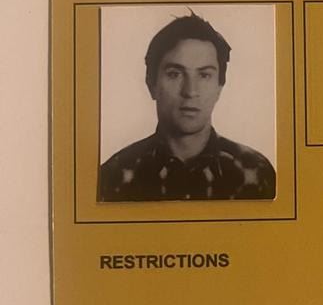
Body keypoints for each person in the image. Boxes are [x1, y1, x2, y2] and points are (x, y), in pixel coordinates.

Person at [99, 13, 276, 201]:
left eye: (204, 75)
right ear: (151, 84)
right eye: (175, 74)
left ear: (219, 87)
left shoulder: (257, 172)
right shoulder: (113, 176)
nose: (190, 91)